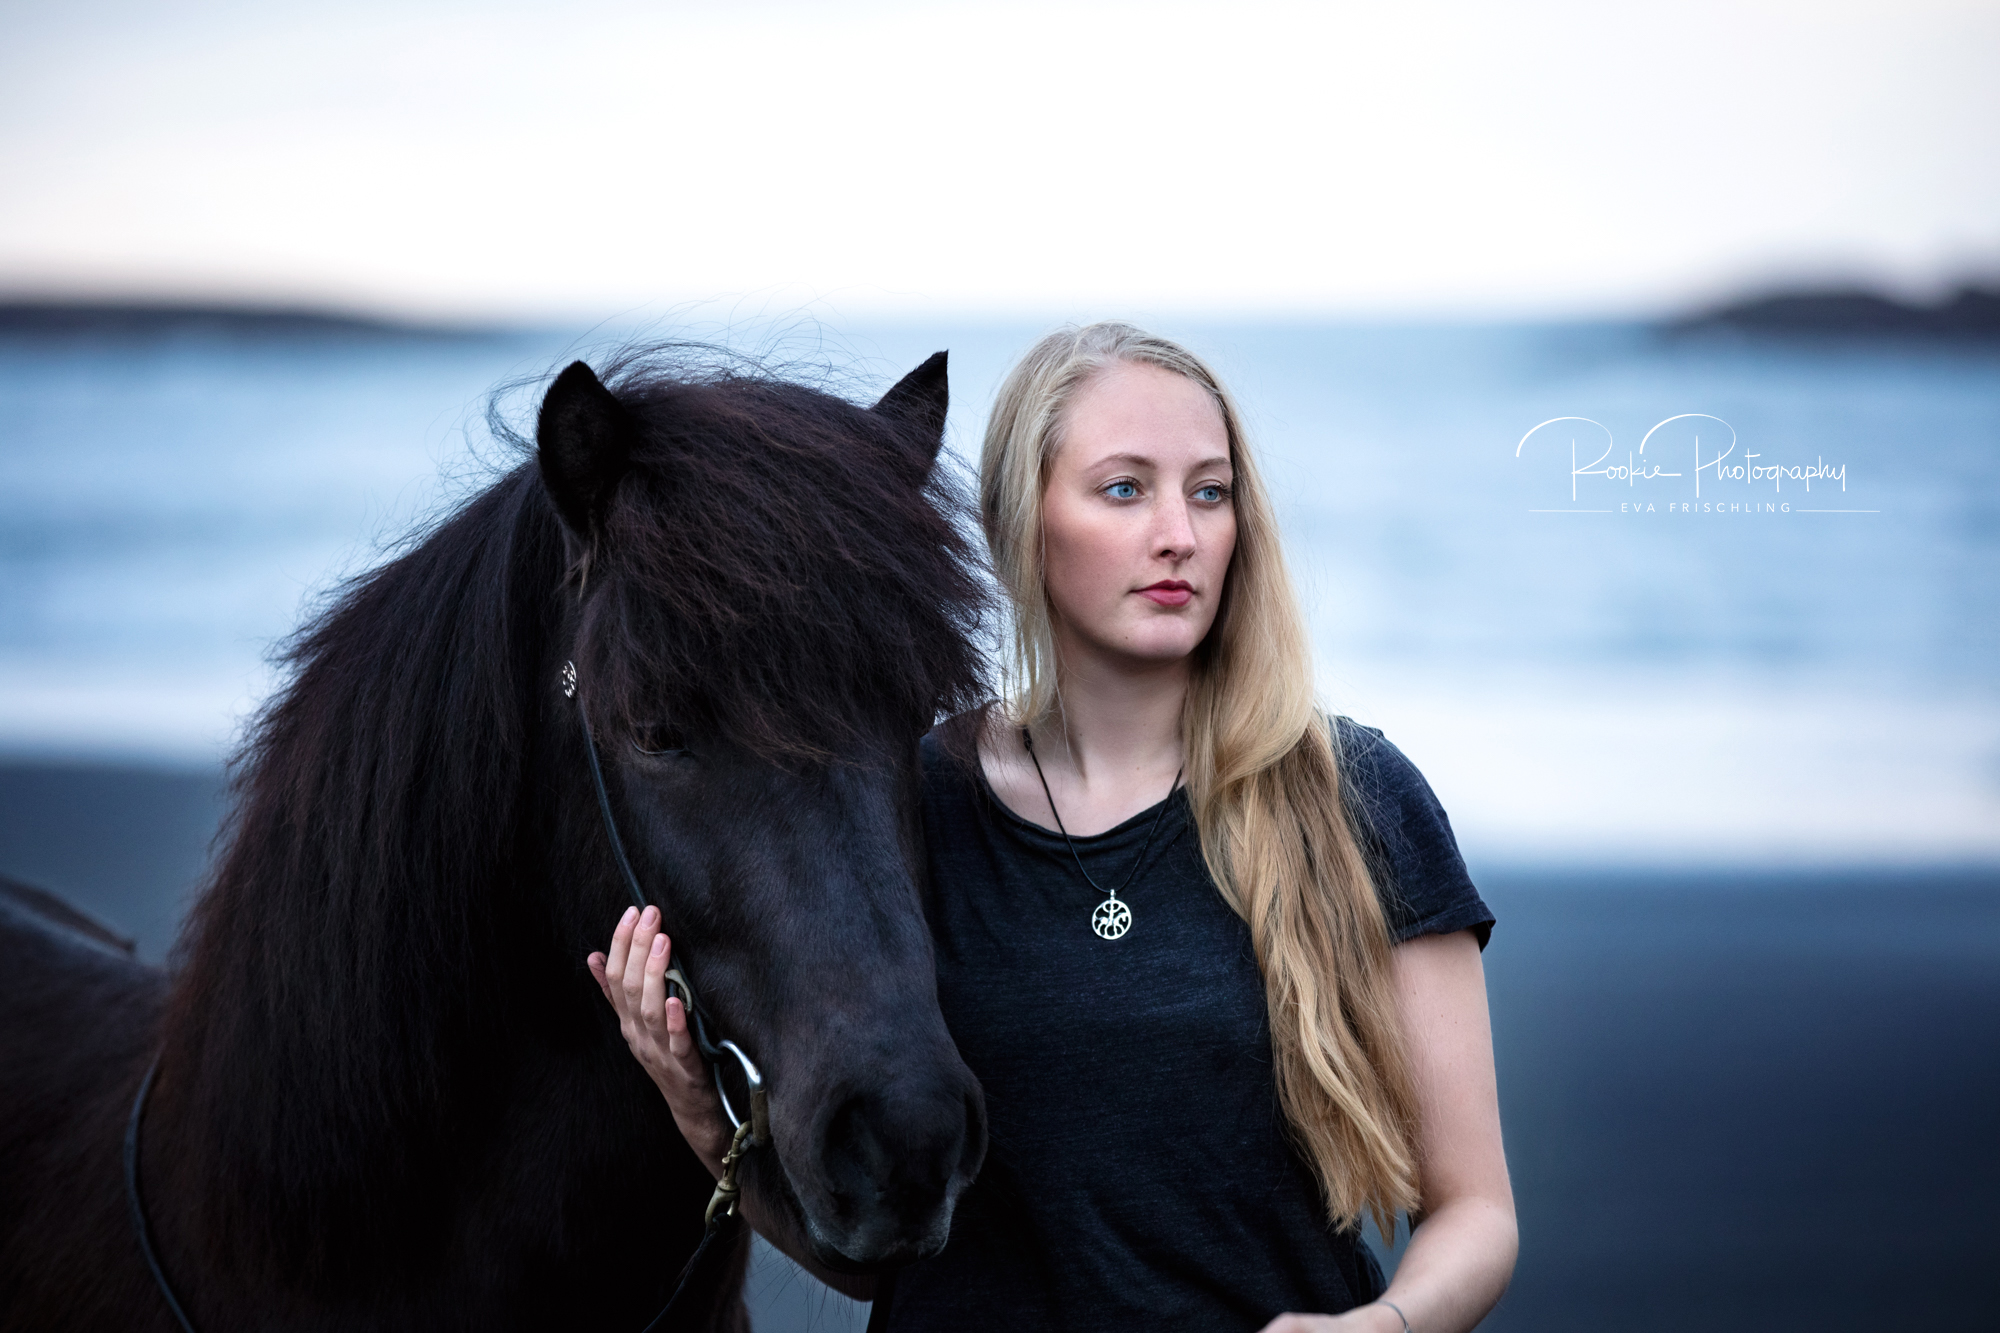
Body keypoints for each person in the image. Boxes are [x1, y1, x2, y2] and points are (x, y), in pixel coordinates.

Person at [590, 323, 1517, 1331]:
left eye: (1210, 492)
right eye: (1124, 488)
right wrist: (699, 1108)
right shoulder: (913, 803)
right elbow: (876, 1257)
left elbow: (1474, 1212)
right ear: (1020, 523)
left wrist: (1377, 1327)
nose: (1179, 533)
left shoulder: (1353, 798)